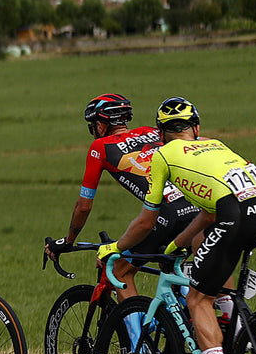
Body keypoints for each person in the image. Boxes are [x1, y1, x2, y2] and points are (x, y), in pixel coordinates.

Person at [97, 97, 256, 354]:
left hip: (235, 214)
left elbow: (145, 222)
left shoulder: (163, 154)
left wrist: (115, 248)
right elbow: (207, 213)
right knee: (207, 259)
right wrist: (174, 246)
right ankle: (240, 335)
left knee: (197, 299)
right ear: (196, 128)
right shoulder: (214, 144)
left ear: (160, 134)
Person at [46, 94, 200, 302]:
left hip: (165, 215)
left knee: (120, 271)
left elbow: (84, 206)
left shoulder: (99, 148)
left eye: (92, 126)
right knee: (171, 266)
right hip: (199, 207)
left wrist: (68, 240)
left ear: (100, 126)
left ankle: (137, 335)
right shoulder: (151, 132)